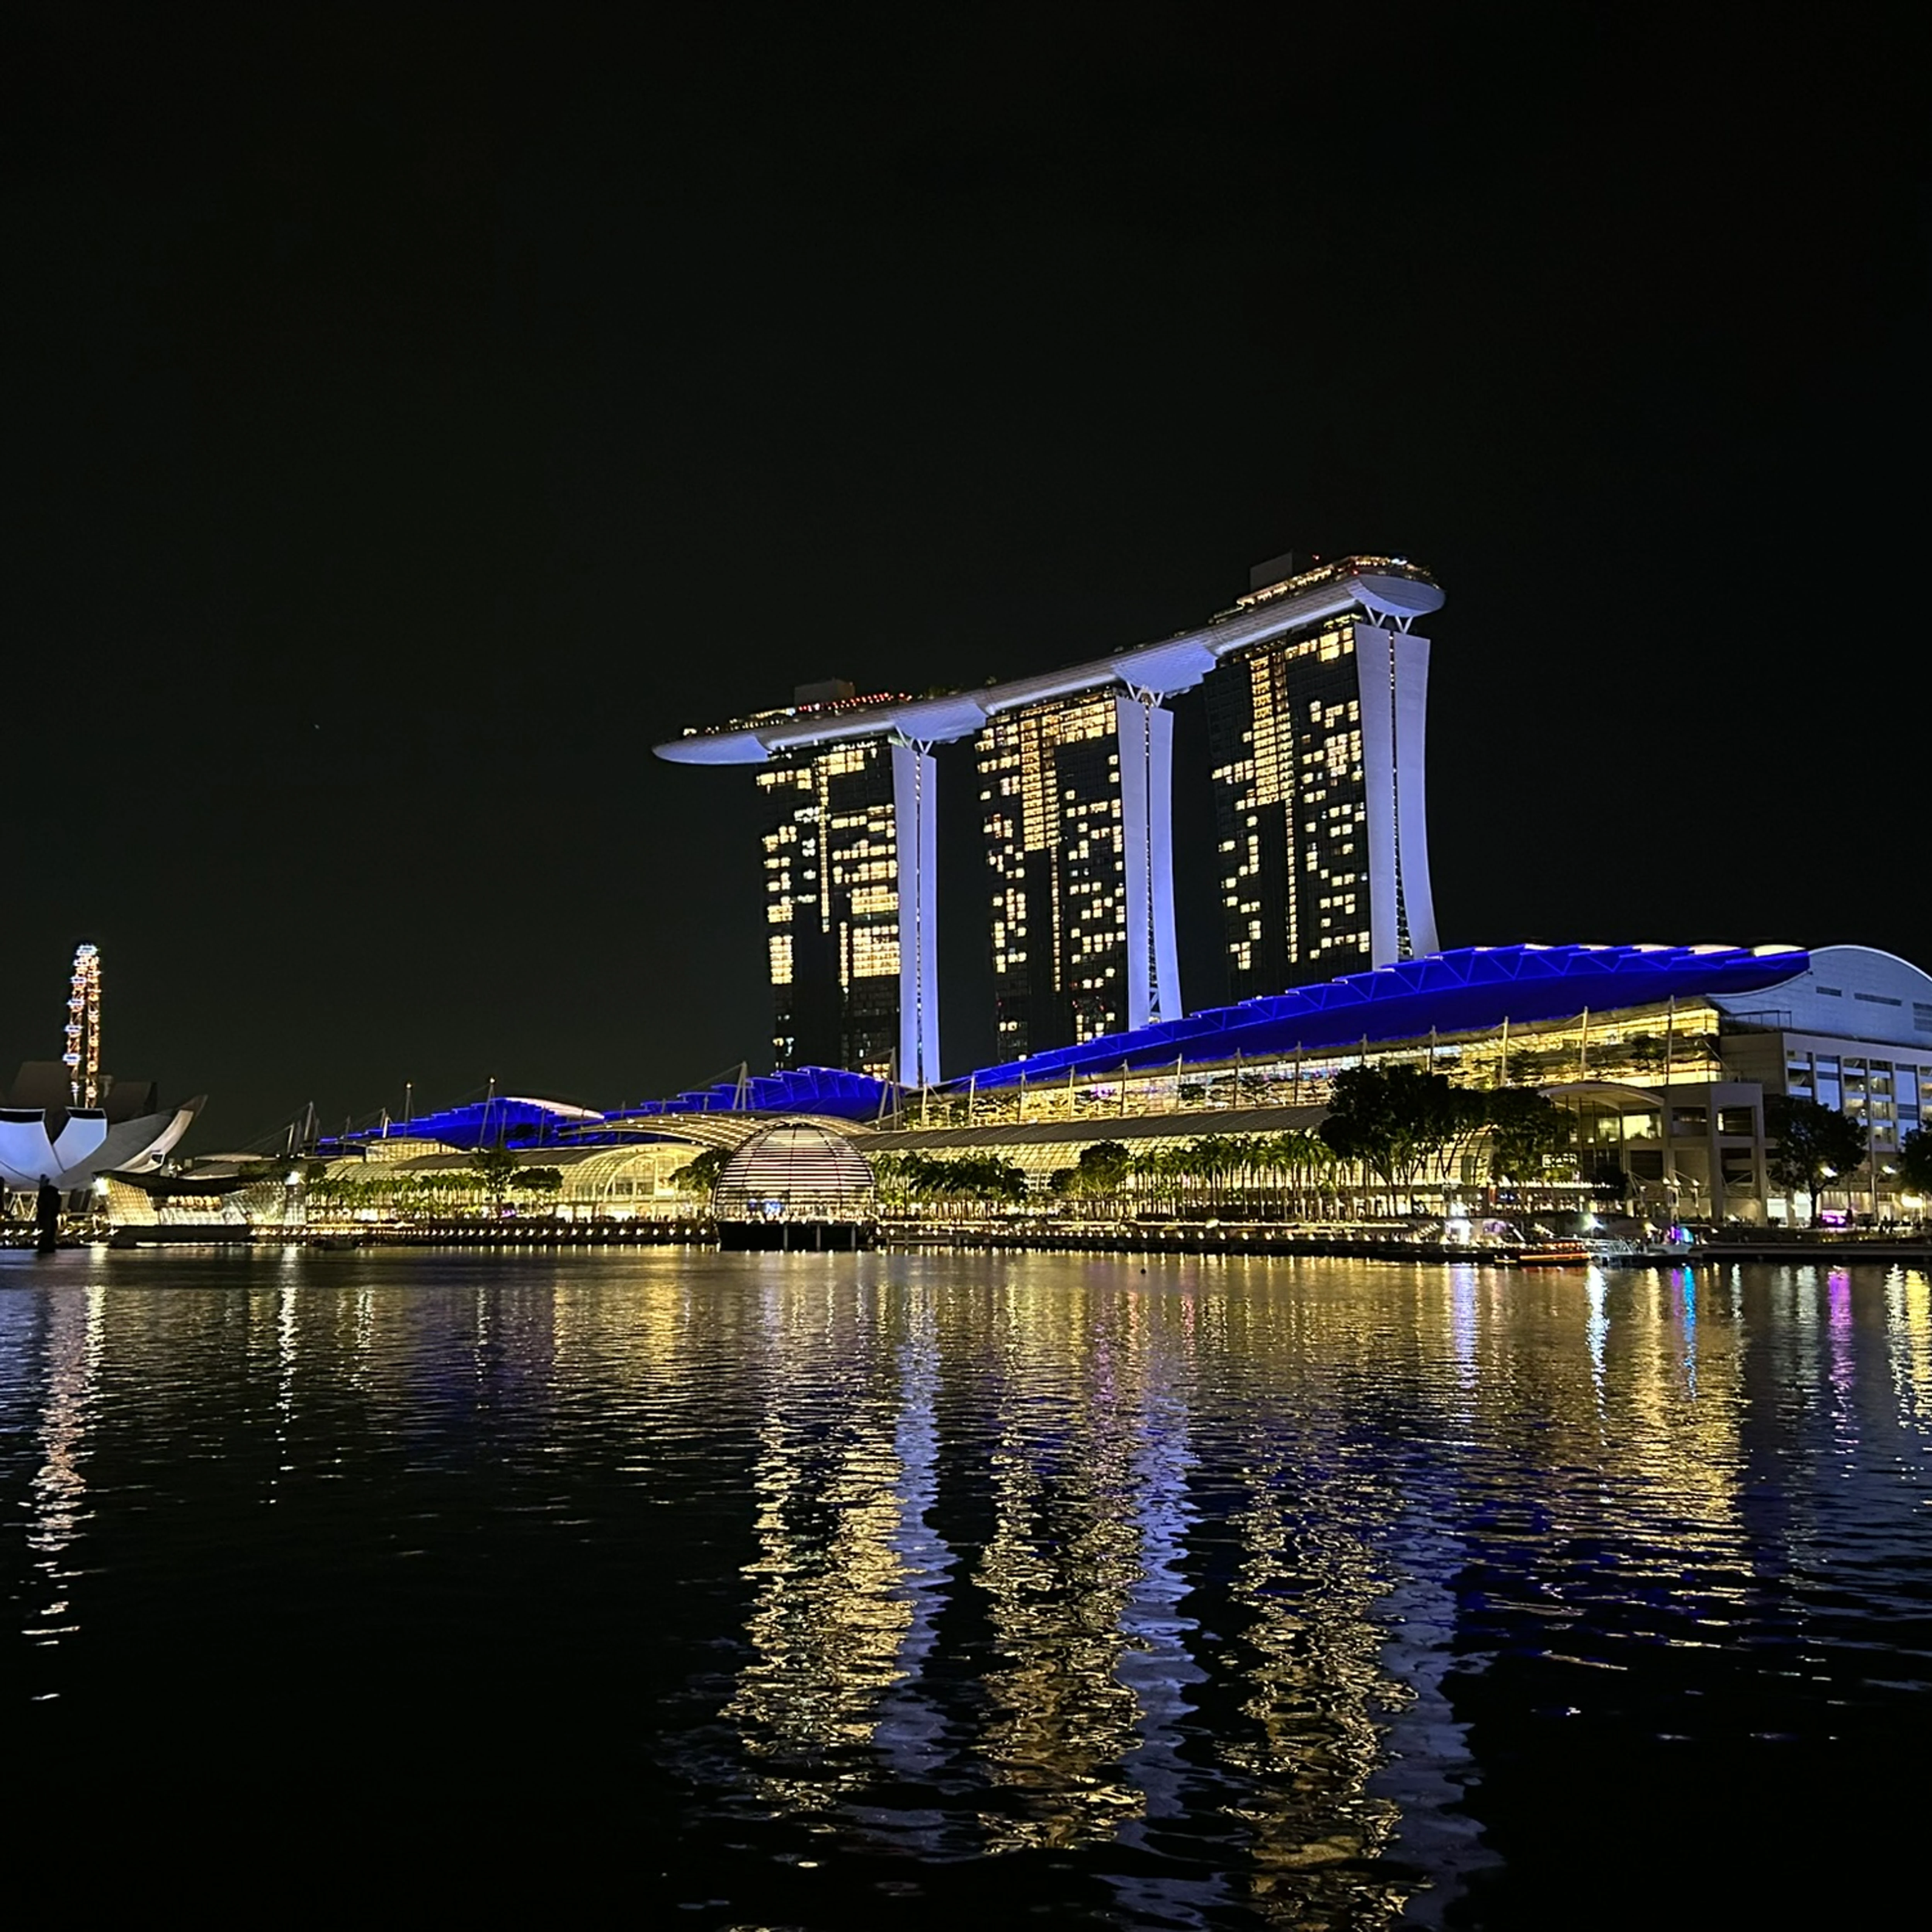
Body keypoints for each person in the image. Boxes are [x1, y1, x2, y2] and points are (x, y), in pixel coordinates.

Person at [35, 1176, 61, 1255]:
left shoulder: (46, 1196)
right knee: (49, 1230)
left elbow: (40, 1204)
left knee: (47, 1230)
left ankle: (46, 1243)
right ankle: (48, 1244)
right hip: (50, 1216)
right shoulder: (55, 1196)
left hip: (47, 1216)